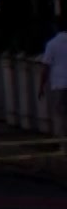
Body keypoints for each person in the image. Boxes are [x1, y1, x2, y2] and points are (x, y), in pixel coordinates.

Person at [41, 14, 67, 156]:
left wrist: (41, 86)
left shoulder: (52, 44)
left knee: (60, 115)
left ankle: (64, 146)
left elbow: (45, 67)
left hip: (59, 84)